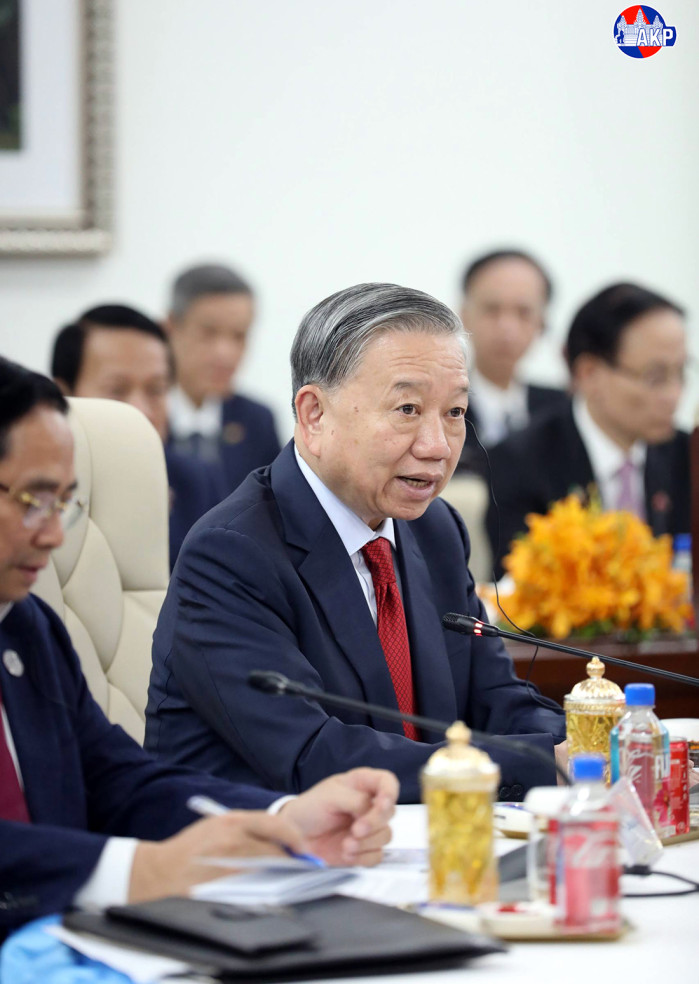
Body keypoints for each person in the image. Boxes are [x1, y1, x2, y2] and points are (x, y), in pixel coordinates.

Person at [0, 357, 397, 938]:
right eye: (34, 500)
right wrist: (140, 870)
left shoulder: (24, 626)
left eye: (64, 503)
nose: (54, 534)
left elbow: (115, 778)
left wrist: (282, 819)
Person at [146, 283, 566, 804]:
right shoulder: (231, 555)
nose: (437, 446)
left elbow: (496, 699)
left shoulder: (435, 530)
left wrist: (589, 746)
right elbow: (316, 756)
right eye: (408, 409)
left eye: (455, 412)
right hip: (261, 844)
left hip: (414, 837)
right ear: (314, 414)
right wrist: (539, 764)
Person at [486, 282, 690, 576]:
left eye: (681, 372)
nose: (674, 395)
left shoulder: (688, 456)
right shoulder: (519, 462)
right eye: (656, 377)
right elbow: (521, 585)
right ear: (589, 373)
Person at [51, 304, 226, 568]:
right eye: (117, 390)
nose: (140, 410)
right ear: (62, 395)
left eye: (156, 390)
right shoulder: (36, 489)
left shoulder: (195, 482)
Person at [165, 263, 281, 491]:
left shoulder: (257, 421)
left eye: (239, 336)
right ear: (171, 328)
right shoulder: (139, 416)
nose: (225, 353)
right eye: (208, 333)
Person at [455, 249, 567, 476]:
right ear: (464, 315)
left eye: (523, 312)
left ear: (542, 322)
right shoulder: (441, 407)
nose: (507, 327)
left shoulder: (562, 410)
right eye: (492, 309)